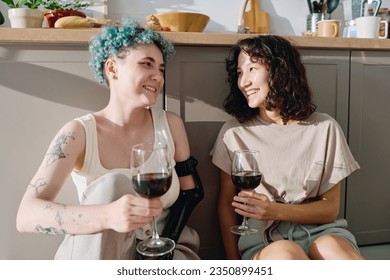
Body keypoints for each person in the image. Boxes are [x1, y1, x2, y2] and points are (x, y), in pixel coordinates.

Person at [16, 18, 203, 260]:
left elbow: (191, 192)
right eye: (147, 64)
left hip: (165, 247)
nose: (158, 76)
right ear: (112, 68)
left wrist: (163, 246)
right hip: (99, 253)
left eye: (161, 69)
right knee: (114, 184)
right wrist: (108, 215)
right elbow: (26, 216)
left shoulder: (170, 125)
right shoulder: (77, 133)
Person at [211, 35, 364, 260]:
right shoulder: (234, 133)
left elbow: (330, 208)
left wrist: (276, 210)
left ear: (280, 70)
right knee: (287, 254)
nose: (243, 82)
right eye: (240, 73)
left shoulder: (324, 127)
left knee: (334, 247)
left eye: (252, 68)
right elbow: (226, 205)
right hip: (262, 239)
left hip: (322, 230)